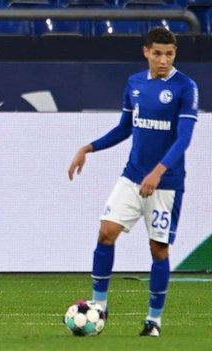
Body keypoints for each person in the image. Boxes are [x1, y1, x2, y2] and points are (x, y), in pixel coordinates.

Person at [68, 27, 198, 337]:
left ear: (174, 55)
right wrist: (89, 147)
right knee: (106, 232)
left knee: (159, 250)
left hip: (166, 183)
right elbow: (125, 128)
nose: (163, 60)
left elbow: (184, 139)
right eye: (157, 53)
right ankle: (99, 306)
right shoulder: (135, 83)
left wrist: (158, 172)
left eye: (169, 54)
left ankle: (153, 321)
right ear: (146, 52)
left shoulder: (185, 88)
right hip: (132, 176)